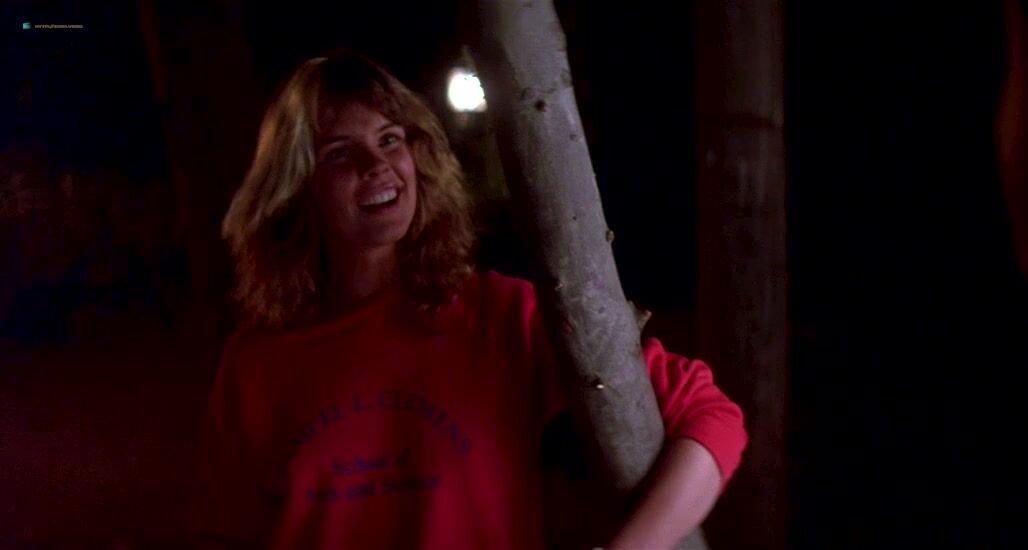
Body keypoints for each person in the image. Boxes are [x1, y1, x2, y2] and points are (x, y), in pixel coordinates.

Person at [195, 49, 747, 549]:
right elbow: (233, 534)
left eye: (390, 139)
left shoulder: (498, 316)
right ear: (296, 186)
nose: (377, 165)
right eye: (340, 153)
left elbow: (712, 418)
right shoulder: (255, 362)